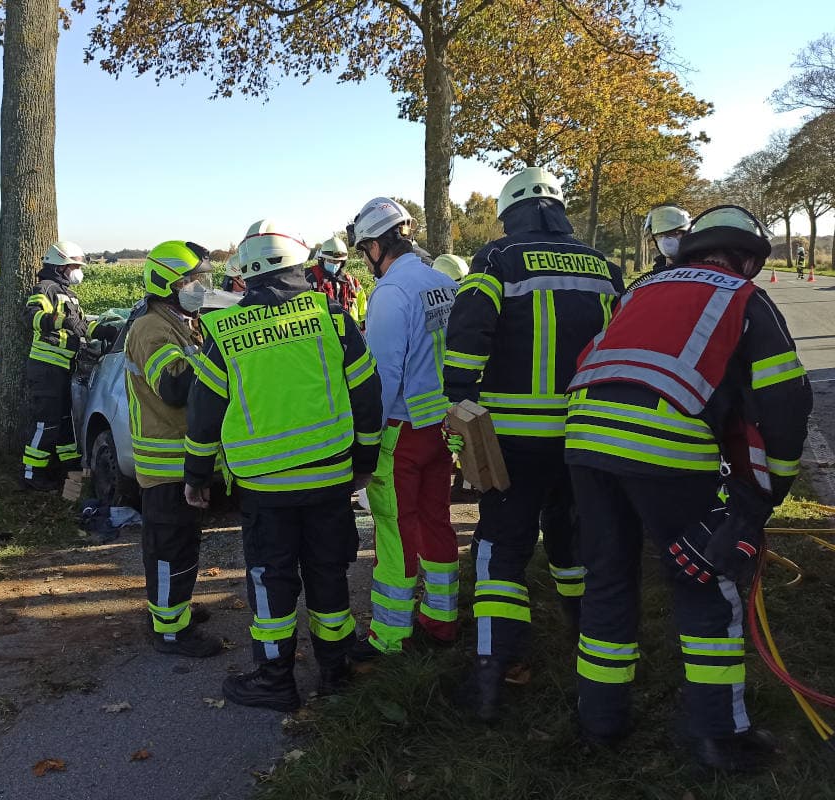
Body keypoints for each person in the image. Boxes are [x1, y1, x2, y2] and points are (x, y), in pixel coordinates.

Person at [564, 205, 812, 771]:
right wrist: (762, 499)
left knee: (607, 578)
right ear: (747, 258)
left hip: (582, 435)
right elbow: (786, 399)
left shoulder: (640, 290)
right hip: (666, 441)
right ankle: (719, 736)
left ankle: (599, 721)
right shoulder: (743, 296)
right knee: (705, 578)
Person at [442, 166, 624, 721]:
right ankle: (581, 638)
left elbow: (468, 337)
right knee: (570, 539)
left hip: (515, 440)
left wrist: (459, 401)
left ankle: (496, 674)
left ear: (508, 213)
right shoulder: (606, 269)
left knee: (501, 549)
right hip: (585, 436)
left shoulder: (496, 260)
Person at [184, 220, 383, 711]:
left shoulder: (224, 331)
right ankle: (335, 671)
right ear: (301, 264)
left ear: (245, 275)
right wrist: (365, 460)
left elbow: (204, 410)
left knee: (271, 579)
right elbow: (368, 393)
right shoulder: (333, 317)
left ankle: (275, 678)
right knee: (328, 573)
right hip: (330, 478)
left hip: (263, 488)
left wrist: (196, 476)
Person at [346, 198, 460, 657]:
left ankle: (389, 639)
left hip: (400, 430)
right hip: (438, 427)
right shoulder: (442, 282)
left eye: (364, 251)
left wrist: (364, 442)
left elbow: (382, 377)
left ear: (376, 245)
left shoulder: (392, 294)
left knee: (395, 533)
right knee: (436, 522)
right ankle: (442, 620)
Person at [125, 240, 223, 658]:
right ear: (167, 283)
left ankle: (173, 609)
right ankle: (169, 631)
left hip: (181, 460)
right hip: (165, 464)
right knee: (170, 548)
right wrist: (218, 352)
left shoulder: (180, 320)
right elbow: (174, 386)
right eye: (193, 280)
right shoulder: (152, 328)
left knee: (183, 543)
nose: (201, 287)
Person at [22, 241, 118, 491]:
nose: (78, 271)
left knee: (66, 424)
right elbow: (32, 316)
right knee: (47, 425)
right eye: (74, 266)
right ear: (59, 266)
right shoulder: (45, 288)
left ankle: (70, 470)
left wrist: (107, 330)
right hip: (46, 369)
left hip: (65, 368)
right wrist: (61, 320)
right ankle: (32, 475)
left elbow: (83, 327)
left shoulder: (69, 295)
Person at [307, 236, 367, 327]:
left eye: (337, 261)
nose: (334, 264)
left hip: (349, 334)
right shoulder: (309, 278)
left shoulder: (351, 283)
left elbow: (363, 311)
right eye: (330, 260)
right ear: (322, 260)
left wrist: (363, 328)